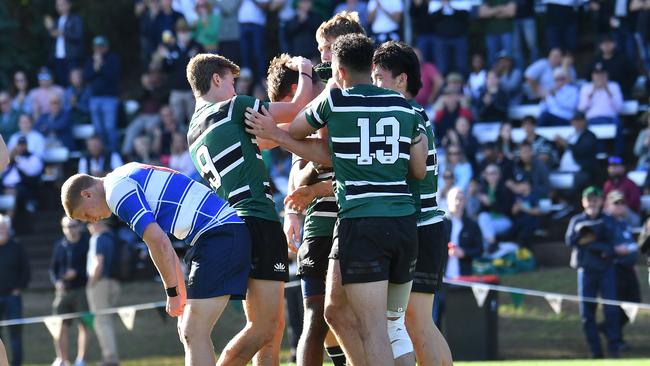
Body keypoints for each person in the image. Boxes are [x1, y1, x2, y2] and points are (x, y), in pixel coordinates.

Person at [247, 33, 426, 366]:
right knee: (387, 325)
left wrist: (276, 135)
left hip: (361, 222)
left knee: (372, 330)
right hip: (404, 224)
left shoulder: (335, 101)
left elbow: (299, 132)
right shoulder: (403, 105)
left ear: (339, 72)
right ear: (371, 66)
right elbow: (417, 167)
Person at [185, 52, 313, 365]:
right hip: (258, 217)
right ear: (216, 79)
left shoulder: (193, 131)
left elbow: (265, 140)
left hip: (235, 221)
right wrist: (307, 73)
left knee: (272, 328)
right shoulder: (233, 107)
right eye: (231, 81)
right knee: (265, 327)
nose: (235, 87)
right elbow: (297, 108)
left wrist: (281, 135)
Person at [60, 162, 251, 366]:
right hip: (218, 232)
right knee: (255, 329)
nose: (92, 221)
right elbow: (165, 246)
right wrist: (180, 297)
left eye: (86, 215)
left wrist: (172, 293)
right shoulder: (122, 174)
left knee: (193, 331)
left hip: (218, 233)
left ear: (86, 194)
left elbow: (158, 243)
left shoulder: (116, 193)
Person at [372, 40, 453, 366]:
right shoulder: (412, 113)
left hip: (421, 225)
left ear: (401, 80)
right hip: (422, 225)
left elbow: (413, 171)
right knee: (414, 323)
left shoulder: (405, 113)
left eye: (379, 76)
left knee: (416, 323)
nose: (374, 83)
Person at [565, 186, 622, 358]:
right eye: (589, 199)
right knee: (587, 314)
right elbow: (569, 241)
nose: (592, 203)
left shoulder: (608, 220)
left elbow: (613, 245)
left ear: (601, 202)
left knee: (611, 310)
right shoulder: (576, 220)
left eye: (595, 199)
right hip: (586, 271)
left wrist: (590, 243)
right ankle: (595, 352)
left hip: (605, 271)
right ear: (583, 202)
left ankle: (614, 348)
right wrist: (591, 239)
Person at [49, 216, 90, 366]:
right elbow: (53, 269)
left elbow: (91, 267)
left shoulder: (87, 243)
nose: (70, 229)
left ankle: (81, 360)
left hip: (82, 290)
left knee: (84, 325)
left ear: (79, 227)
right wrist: (57, 281)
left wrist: (77, 273)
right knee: (60, 326)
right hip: (63, 292)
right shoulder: (59, 245)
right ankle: (62, 359)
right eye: (67, 227)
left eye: (73, 226)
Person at [605, 191, 641, 349]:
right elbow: (613, 248)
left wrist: (633, 265)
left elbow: (631, 249)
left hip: (628, 269)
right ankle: (615, 337)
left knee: (634, 302)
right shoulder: (607, 224)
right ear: (608, 205)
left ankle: (610, 330)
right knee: (617, 305)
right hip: (615, 269)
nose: (620, 206)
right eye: (616, 203)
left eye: (622, 203)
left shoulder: (625, 223)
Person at [85, 219, 120, 366]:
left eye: (89, 223)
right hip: (115, 283)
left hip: (100, 283)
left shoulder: (98, 238)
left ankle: (110, 358)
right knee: (106, 321)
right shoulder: (113, 237)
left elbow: (98, 263)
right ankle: (111, 356)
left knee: (101, 321)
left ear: (97, 223)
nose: (88, 227)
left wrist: (91, 282)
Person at [0, 215, 30, 366]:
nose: (1, 230)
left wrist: (18, 288)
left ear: (8, 229)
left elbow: (25, 270)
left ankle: (16, 363)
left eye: (4, 227)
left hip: (12, 297)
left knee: (15, 334)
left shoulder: (17, 246)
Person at [84, 36, 121, 152]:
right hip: (94, 98)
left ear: (106, 46)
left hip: (109, 98)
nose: (99, 49)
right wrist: (95, 67)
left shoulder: (113, 58)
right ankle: (103, 154)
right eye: (96, 47)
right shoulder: (90, 60)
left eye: (101, 46)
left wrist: (101, 65)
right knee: (98, 129)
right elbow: (87, 77)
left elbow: (113, 75)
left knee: (110, 127)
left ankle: (114, 152)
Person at [577, 62, 624, 155]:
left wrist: (608, 91)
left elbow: (619, 108)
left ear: (606, 75)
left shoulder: (614, 86)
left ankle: (618, 157)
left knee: (619, 126)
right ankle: (598, 156)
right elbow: (581, 109)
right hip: (592, 119)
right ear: (592, 76)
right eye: (597, 74)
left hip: (610, 119)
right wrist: (592, 92)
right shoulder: (586, 88)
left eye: (602, 74)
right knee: (589, 132)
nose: (600, 77)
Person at [445, 187, 484, 278]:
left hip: (464, 277)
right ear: (448, 200)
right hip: (442, 278)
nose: (458, 202)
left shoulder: (472, 225)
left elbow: (479, 249)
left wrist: (464, 252)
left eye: (461, 199)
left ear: (465, 201)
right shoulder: (440, 223)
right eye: (455, 198)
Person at [44, 0, 84, 87]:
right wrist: (50, 30)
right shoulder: (56, 20)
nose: (60, 7)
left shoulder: (75, 19)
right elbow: (51, 38)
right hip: (57, 57)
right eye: (58, 5)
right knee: (60, 82)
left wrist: (62, 33)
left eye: (62, 4)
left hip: (71, 57)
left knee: (73, 81)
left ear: (69, 5)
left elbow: (78, 35)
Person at [477, 164, 514, 252]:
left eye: (493, 173)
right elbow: (482, 212)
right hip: (489, 222)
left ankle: (490, 248)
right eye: (488, 173)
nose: (491, 176)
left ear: (499, 175)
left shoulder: (505, 189)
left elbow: (505, 210)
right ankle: (492, 245)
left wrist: (490, 203)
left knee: (484, 226)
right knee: (483, 219)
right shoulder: (484, 189)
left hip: (504, 220)